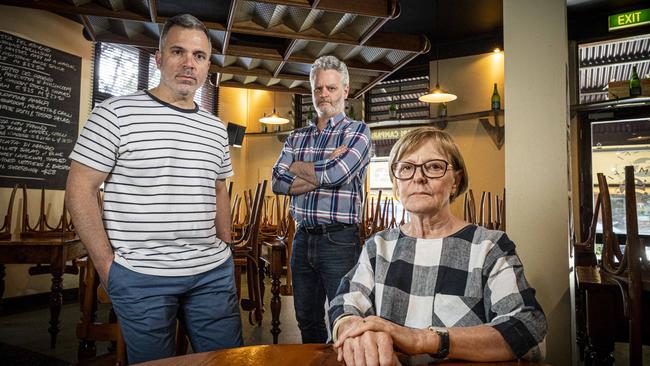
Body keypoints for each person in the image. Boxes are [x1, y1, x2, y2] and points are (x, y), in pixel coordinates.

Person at [65, 14, 242, 364]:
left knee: (229, 360)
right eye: (178, 51)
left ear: (208, 66)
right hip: (140, 275)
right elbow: (79, 189)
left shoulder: (215, 128)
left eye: (199, 56)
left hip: (212, 273)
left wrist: (225, 245)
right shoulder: (114, 113)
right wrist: (107, 267)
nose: (189, 63)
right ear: (159, 59)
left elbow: (219, 186)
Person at [329, 127, 547, 365]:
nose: (418, 177)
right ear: (396, 183)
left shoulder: (488, 247)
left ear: (456, 181)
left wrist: (423, 339)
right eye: (406, 167)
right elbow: (345, 303)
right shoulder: (378, 246)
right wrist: (353, 330)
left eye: (434, 166)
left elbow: (526, 323)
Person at [271, 55, 372, 343]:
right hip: (302, 237)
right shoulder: (297, 136)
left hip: (339, 240)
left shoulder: (358, 132)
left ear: (345, 91)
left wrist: (298, 168)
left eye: (330, 88)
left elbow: (337, 173)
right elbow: (278, 180)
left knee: (346, 320)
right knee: (307, 320)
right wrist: (322, 166)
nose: (323, 94)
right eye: (318, 89)